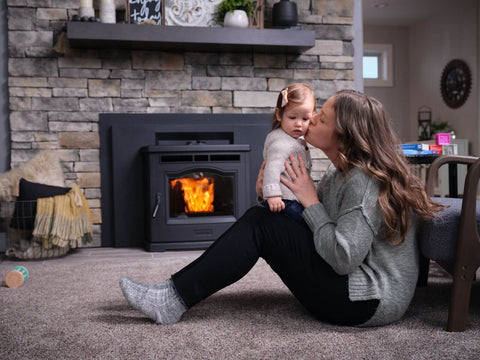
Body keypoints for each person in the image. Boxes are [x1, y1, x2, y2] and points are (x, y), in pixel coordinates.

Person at [119, 90, 444, 327]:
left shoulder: (363, 181)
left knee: (261, 224)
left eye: (322, 117)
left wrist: (309, 198)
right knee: (264, 218)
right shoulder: (337, 172)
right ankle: (173, 293)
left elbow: (343, 259)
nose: (310, 119)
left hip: (365, 301)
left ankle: (172, 298)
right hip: (349, 285)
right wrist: (276, 192)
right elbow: (319, 227)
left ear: (343, 137)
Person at [261, 83, 314, 224]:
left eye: (305, 119)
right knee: (307, 225)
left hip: (292, 199)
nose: (299, 124)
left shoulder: (295, 140)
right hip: (284, 201)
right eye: (292, 118)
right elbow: (272, 168)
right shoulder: (281, 143)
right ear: (279, 115)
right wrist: (272, 195)